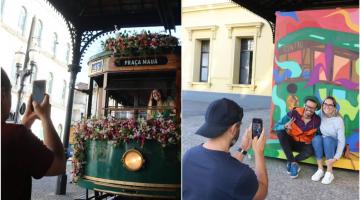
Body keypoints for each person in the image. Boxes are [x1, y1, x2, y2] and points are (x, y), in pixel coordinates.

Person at [183, 98, 268, 200]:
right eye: (239, 126)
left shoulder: (189, 156)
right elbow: (262, 192)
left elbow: (224, 170)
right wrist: (259, 152)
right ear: (233, 128)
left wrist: (243, 148)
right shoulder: (242, 175)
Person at [1, 68, 66, 200]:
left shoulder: (15, 135)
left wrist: (26, 123)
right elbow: (58, 164)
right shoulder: (16, 136)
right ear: (2, 96)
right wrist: (46, 118)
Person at [274, 96, 321, 178]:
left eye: (312, 108)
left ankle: (291, 161)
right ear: (304, 105)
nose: (309, 110)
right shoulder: (294, 112)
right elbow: (276, 126)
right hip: (291, 142)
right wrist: (284, 126)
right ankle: (293, 164)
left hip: (304, 145)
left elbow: (320, 134)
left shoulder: (317, 120)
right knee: (280, 132)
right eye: (308, 106)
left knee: (312, 149)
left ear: (316, 109)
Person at [311, 96, 345, 184]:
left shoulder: (338, 120)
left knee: (328, 139)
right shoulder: (320, 114)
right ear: (322, 105)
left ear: (334, 107)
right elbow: (309, 112)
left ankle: (330, 172)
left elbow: (341, 140)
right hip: (323, 142)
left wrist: (336, 157)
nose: (327, 106)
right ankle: (320, 169)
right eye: (325, 104)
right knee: (316, 139)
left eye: (330, 105)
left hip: (332, 144)